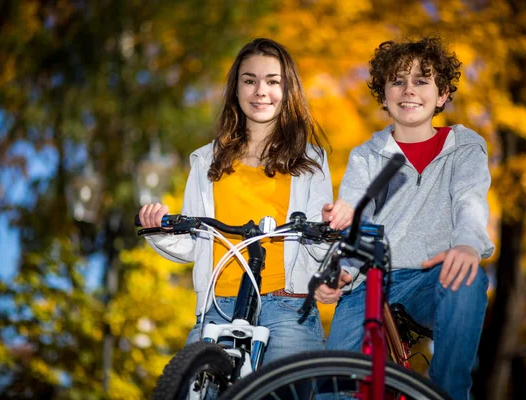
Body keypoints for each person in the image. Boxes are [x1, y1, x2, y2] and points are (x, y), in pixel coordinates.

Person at [139, 38, 342, 365]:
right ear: (236, 89)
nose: (261, 91)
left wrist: (331, 228)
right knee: (191, 382)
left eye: (272, 81)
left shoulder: (310, 161)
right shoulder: (206, 161)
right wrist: (158, 229)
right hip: (218, 305)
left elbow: (320, 245)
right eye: (249, 80)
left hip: (287, 306)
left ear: (287, 90)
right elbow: (194, 242)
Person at [317, 36, 495, 400]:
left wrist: (466, 244)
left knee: (469, 275)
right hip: (370, 281)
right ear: (383, 96)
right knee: (333, 384)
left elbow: (469, 202)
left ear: (442, 94)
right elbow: (354, 218)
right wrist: (343, 271)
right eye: (397, 81)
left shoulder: (464, 146)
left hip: (434, 277)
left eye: (421, 80)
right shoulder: (366, 156)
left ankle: (448, 394)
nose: (408, 90)